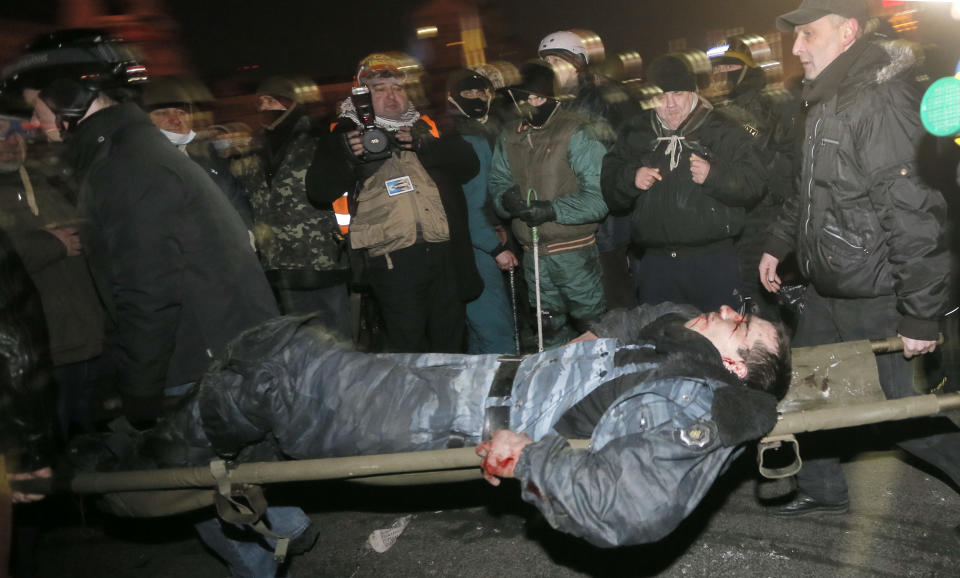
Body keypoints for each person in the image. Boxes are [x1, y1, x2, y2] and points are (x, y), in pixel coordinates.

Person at [100, 301, 789, 549]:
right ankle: (217, 491)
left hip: (451, 421)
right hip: (461, 381)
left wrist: (532, 458)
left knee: (274, 367)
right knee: (278, 366)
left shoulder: (696, 399)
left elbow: (629, 509)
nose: (728, 307)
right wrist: (591, 340)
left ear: (734, 361)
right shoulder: (679, 346)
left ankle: (135, 478)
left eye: (741, 322)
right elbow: (653, 314)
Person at [760, 0, 959, 516]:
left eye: (809, 35)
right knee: (804, 390)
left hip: (875, 293)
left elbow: (915, 215)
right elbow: (811, 190)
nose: (797, 48)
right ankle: (824, 490)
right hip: (828, 286)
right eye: (795, 38)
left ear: (847, 32)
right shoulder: (828, 97)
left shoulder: (879, 101)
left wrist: (919, 313)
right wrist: (778, 243)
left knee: (904, 418)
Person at [306, 53, 482, 353]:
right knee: (408, 344)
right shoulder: (343, 132)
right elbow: (319, 191)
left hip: (444, 252)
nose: (391, 95)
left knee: (451, 341)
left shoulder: (427, 125)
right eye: (379, 89)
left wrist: (426, 145)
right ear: (361, 95)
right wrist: (348, 158)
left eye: (397, 88)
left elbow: (469, 165)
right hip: (392, 258)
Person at [602, 53, 766, 313]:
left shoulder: (724, 130)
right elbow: (610, 190)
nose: (670, 105)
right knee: (661, 342)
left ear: (694, 93)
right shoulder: (635, 132)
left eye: (677, 94)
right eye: (660, 97)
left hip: (713, 263)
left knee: (721, 345)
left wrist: (714, 176)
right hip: (655, 266)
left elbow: (754, 184)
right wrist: (630, 179)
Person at [488, 61, 609, 348]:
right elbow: (497, 182)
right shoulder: (510, 135)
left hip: (574, 254)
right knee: (549, 334)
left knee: (591, 332)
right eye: (523, 98)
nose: (529, 105)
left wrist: (553, 209)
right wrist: (505, 201)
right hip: (533, 257)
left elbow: (600, 198)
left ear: (552, 98)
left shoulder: (577, 132)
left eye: (538, 98)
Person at [0, 119, 103, 438]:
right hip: (42, 350)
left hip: (87, 336)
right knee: (56, 441)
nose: (11, 141)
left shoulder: (44, 180)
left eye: (15, 133)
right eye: (0, 136)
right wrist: (50, 243)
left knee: (90, 436)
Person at [244, 76, 352, 339]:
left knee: (337, 340)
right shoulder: (254, 146)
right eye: (261, 102)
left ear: (290, 103)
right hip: (279, 262)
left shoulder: (318, 138)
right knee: (300, 342)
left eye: (272, 100)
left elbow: (339, 188)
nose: (265, 107)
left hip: (321, 257)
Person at [538, 29, 638, 310]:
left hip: (605, 208)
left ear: (577, 62)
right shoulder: (547, 102)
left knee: (612, 287)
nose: (552, 70)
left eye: (558, 61)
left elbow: (626, 146)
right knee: (580, 296)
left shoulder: (606, 94)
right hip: (568, 207)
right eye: (547, 64)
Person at [445, 68, 518, 354]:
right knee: (494, 329)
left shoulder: (485, 131)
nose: (477, 97)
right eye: (468, 92)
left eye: (482, 92)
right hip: (476, 248)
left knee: (479, 330)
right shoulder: (467, 139)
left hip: (480, 240)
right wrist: (494, 247)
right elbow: (469, 205)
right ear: (453, 97)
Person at [141, 76, 255, 229]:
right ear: (145, 119)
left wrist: (248, 236)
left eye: (181, 112)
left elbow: (236, 200)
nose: (175, 120)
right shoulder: (137, 164)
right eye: (163, 113)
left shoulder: (206, 157)